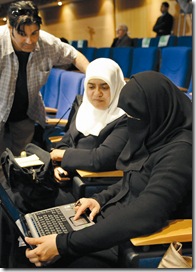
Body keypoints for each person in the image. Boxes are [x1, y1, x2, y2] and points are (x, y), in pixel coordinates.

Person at [25, 71, 192, 268]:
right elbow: (134, 179)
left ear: (157, 110)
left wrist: (63, 245)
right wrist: (99, 198)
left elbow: (148, 214)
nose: (131, 122)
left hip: (131, 242)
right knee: (31, 234)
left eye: (135, 117)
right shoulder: (156, 131)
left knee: (41, 257)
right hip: (110, 224)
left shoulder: (181, 151)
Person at [0, 0, 89, 158]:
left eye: (34, 33)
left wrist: (93, 77)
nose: (29, 41)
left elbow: (75, 56)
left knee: (18, 165)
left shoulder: (47, 43)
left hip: (25, 114)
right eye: (22, 34)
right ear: (10, 28)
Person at [50, 58, 128, 182]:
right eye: (91, 87)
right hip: (69, 175)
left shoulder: (124, 118)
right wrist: (58, 166)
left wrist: (62, 156)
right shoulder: (83, 107)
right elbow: (65, 141)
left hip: (95, 184)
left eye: (105, 87)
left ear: (115, 86)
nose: (97, 93)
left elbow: (101, 159)